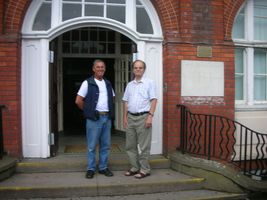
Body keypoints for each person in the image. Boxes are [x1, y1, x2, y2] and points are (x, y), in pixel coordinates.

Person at [75, 59, 114, 179]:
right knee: (92, 146)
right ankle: (91, 168)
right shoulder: (87, 83)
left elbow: (112, 98)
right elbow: (78, 101)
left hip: (106, 118)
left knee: (105, 145)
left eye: (102, 67)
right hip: (93, 119)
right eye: (98, 67)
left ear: (105, 69)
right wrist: (89, 112)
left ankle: (103, 167)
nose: (100, 69)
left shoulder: (108, 83)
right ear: (93, 69)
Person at [122, 60, 157, 179]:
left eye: (140, 68)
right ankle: (134, 167)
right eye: (136, 68)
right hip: (131, 117)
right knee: (130, 146)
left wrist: (150, 117)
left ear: (144, 69)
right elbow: (126, 102)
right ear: (133, 69)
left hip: (144, 117)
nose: (138, 69)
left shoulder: (149, 83)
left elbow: (153, 100)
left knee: (143, 147)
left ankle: (145, 169)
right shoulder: (129, 85)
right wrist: (125, 117)